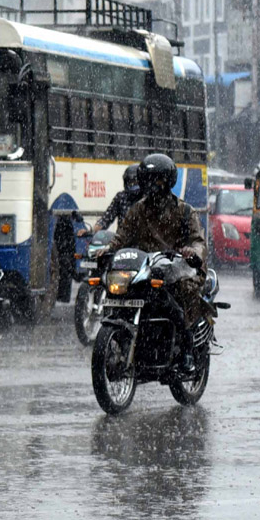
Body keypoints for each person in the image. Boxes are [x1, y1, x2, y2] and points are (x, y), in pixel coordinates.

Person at [107, 153, 207, 370]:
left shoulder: (184, 211)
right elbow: (121, 236)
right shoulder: (137, 210)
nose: (153, 186)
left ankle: (187, 350)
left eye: (158, 180)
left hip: (178, 267)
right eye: (148, 180)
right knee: (121, 291)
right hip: (145, 268)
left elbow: (198, 240)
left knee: (177, 296)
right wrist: (107, 250)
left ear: (168, 182)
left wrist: (192, 253)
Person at [82, 163, 143, 236]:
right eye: (132, 183)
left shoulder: (148, 197)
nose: (134, 186)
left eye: (136, 182)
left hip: (144, 243)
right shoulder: (121, 197)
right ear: (126, 183)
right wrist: (92, 230)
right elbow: (107, 218)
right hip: (122, 240)